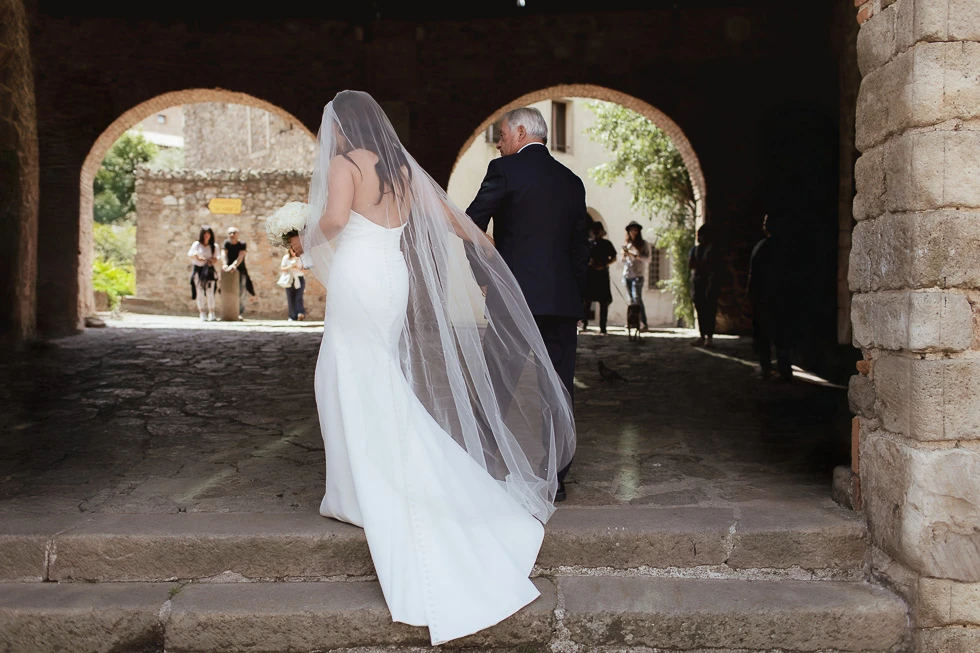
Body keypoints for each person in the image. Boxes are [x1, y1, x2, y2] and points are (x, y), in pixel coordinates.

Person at [287, 91, 575, 646]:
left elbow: (335, 219)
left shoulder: (347, 166)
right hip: (392, 281)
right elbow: (456, 221)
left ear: (344, 129)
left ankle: (354, 494)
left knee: (343, 380)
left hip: (359, 280)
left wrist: (300, 238)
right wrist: (494, 258)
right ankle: (362, 486)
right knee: (378, 379)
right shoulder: (400, 169)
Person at [465, 105, 590, 502]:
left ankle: (484, 466)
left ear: (520, 133)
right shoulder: (572, 181)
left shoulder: (504, 171)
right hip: (560, 303)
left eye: (501, 134)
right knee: (558, 389)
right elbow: (579, 251)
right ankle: (556, 478)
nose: (498, 141)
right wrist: (576, 303)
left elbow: (471, 226)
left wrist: (486, 278)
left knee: (497, 384)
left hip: (514, 299)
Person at [748, 214, 793, 380]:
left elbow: (754, 275)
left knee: (763, 335)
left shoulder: (763, 247)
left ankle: (767, 368)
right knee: (780, 335)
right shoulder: (786, 248)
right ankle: (784, 369)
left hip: (766, 298)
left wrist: (750, 295)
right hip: (780, 297)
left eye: (766, 222)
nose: (764, 224)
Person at [688, 223, 722, 347]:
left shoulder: (713, 249)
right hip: (698, 283)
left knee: (710, 310)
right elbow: (691, 264)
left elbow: (714, 267)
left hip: (709, 282)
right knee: (701, 310)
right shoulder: (696, 249)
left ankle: (709, 337)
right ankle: (702, 336)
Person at [582, 221, 616, 334]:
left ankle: (603, 326)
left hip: (602, 276)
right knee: (587, 301)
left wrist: (604, 265)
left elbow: (614, 258)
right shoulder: (589, 243)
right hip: (591, 275)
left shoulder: (607, 244)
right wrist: (590, 263)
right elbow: (583, 257)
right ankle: (584, 324)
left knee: (603, 303)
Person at [621, 220, 651, 331]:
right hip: (627, 274)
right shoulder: (627, 245)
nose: (633, 232)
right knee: (630, 300)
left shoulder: (644, 244)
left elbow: (647, 258)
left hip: (638, 274)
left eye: (635, 230)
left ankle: (643, 322)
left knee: (637, 298)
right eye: (631, 230)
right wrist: (624, 255)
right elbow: (623, 261)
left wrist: (635, 255)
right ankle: (632, 322)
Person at [222, 226, 255, 319]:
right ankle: (229, 312)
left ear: (237, 234)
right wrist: (225, 265)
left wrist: (234, 266)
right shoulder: (226, 244)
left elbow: (241, 256)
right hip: (228, 271)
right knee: (228, 291)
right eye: (230, 233)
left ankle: (239, 313)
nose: (232, 235)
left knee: (241, 292)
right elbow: (224, 254)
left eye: (234, 232)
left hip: (241, 271)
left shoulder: (242, 244)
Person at [187, 225, 219, 321]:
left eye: (208, 234)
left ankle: (212, 312)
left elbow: (217, 258)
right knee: (199, 292)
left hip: (209, 270)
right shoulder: (196, 245)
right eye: (205, 234)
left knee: (210, 292)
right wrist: (197, 257)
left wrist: (210, 260)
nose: (206, 236)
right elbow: (191, 255)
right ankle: (202, 312)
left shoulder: (214, 246)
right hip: (199, 270)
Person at [280, 246, 307, 321]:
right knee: (290, 297)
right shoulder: (286, 258)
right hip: (289, 279)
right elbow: (282, 268)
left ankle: (300, 313)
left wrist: (297, 268)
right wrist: (290, 266)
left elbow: (305, 270)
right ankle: (292, 316)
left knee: (299, 296)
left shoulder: (301, 258)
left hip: (299, 278)